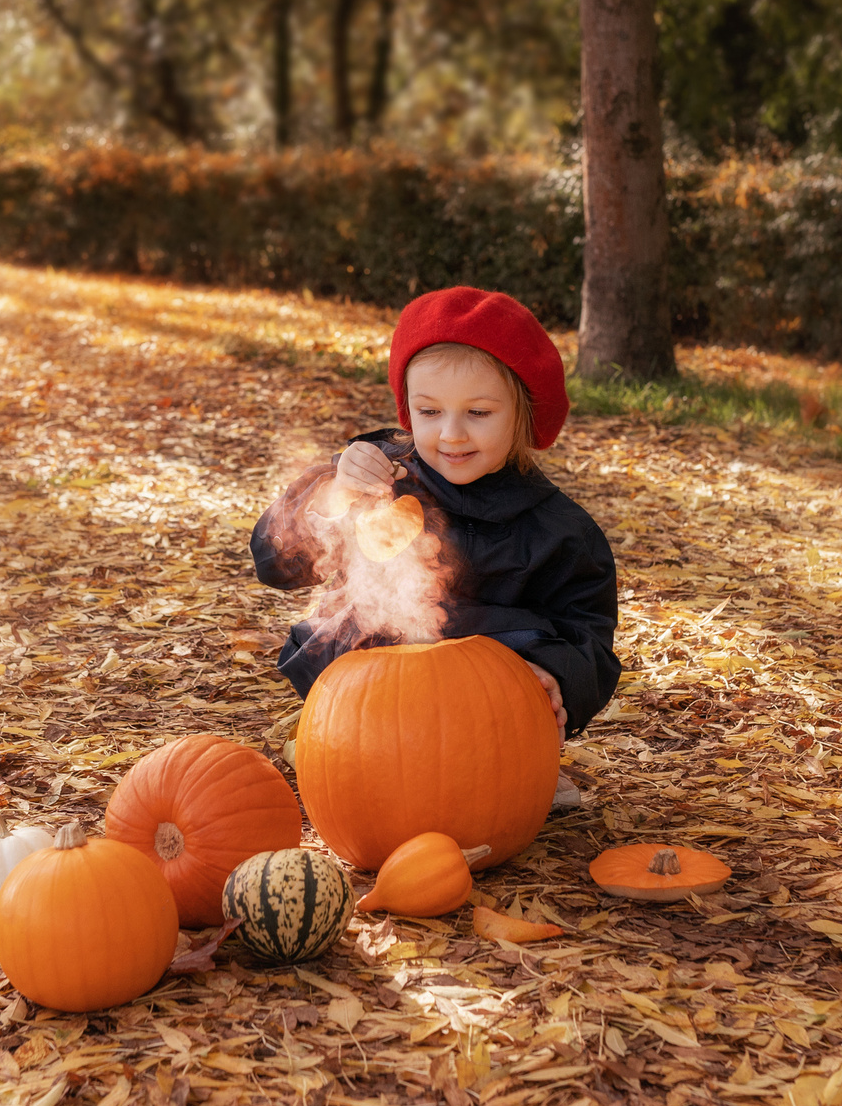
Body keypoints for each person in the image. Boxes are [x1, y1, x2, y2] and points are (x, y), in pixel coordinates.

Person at [250, 287, 621, 799]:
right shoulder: (380, 477)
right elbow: (275, 563)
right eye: (429, 412)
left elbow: (589, 633)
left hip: (488, 719)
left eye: (479, 413)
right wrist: (334, 492)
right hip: (371, 698)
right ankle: (352, 752)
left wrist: (558, 677)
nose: (451, 434)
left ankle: (515, 764)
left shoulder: (560, 531)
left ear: (523, 415)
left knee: (515, 654)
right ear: (408, 409)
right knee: (366, 630)